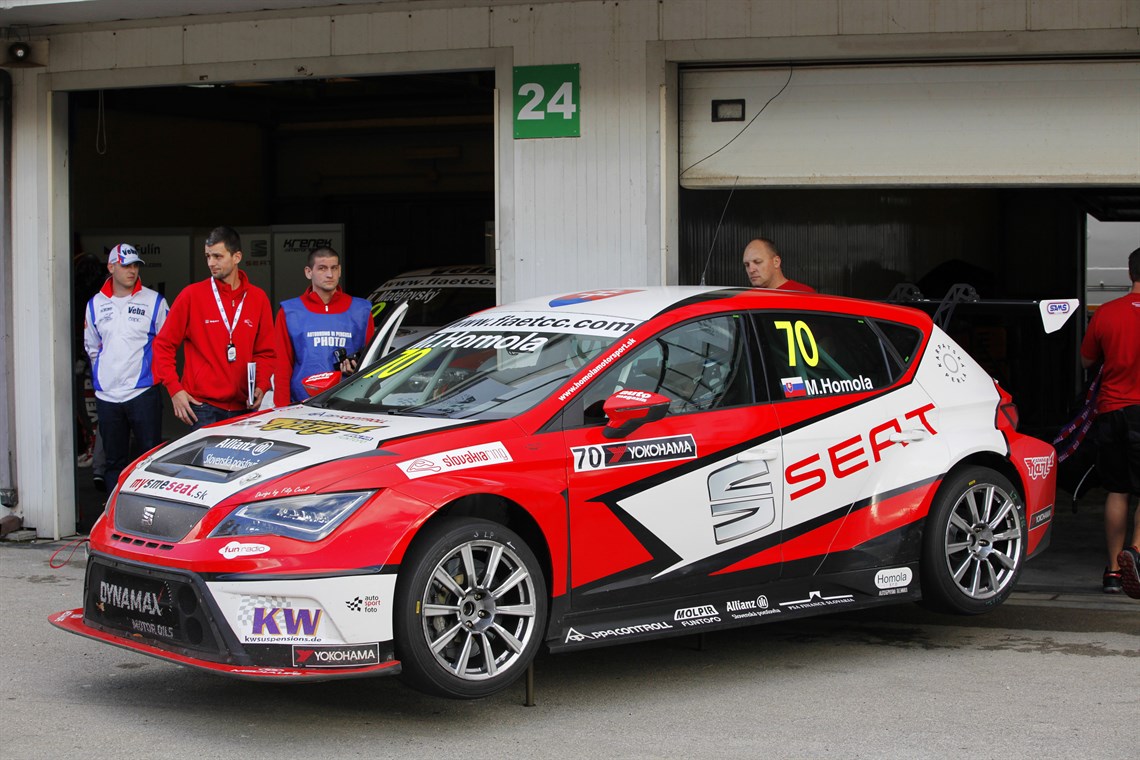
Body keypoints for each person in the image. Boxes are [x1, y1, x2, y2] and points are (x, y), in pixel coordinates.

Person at [153, 226, 275, 430]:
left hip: (244, 408)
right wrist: (174, 389)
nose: (211, 263)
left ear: (237, 257)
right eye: (208, 256)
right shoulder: (191, 296)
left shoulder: (257, 298)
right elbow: (163, 345)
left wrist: (261, 385)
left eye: (218, 256)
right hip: (203, 408)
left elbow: (267, 352)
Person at [82, 244, 169, 498]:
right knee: (113, 462)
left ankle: (150, 514)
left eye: (135, 265)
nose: (132, 271)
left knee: (150, 460)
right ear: (111, 267)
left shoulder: (154, 301)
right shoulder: (95, 304)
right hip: (108, 396)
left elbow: (167, 343)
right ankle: (112, 515)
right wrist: (104, 380)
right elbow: (92, 347)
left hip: (143, 392)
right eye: (126, 265)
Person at [1080, 246, 1140, 597]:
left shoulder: (1106, 313)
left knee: (1117, 490)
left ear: (1130, 273)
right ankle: (1136, 552)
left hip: (1111, 411)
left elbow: (1087, 361)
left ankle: (1114, 572)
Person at [273, 246, 374, 406]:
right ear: (308, 272)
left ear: (340, 270)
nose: (330, 274)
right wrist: (281, 408)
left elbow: (373, 363)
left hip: (349, 402)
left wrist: (357, 369)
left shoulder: (361, 310)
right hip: (301, 403)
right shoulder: (290, 311)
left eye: (334, 268)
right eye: (322, 268)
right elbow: (282, 366)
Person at [742, 238, 816, 292]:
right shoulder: (748, 298)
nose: (751, 270)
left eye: (757, 262)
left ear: (776, 262)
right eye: (747, 265)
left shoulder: (802, 294)